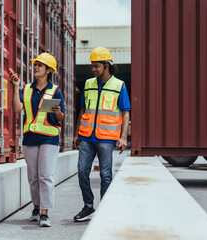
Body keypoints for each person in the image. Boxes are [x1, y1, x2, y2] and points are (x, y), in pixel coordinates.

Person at [73, 47, 130, 222]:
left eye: (96, 66)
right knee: (82, 171)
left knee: (106, 174)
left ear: (106, 65)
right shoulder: (89, 84)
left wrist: (122, 137)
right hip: (86, 136)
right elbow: (83, 110)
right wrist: (76, 134)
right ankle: (88, 206)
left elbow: (126, 112)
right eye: (92, 66)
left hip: (106, 137)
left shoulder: (119, 85)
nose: (93, 69)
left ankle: (105, 209)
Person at [11, 52, 65, 227]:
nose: (36, 67)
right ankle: (36, 208)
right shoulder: (26, 89)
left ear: (49, 70)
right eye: (36, 65)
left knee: (46, 176)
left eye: (40, 65)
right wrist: (15, 87)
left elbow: (61, 117)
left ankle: (45, 213)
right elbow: (17, 108)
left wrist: (57, 112)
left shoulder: (55, 90)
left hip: (49, 138)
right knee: (33, 177)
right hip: (30, 138)